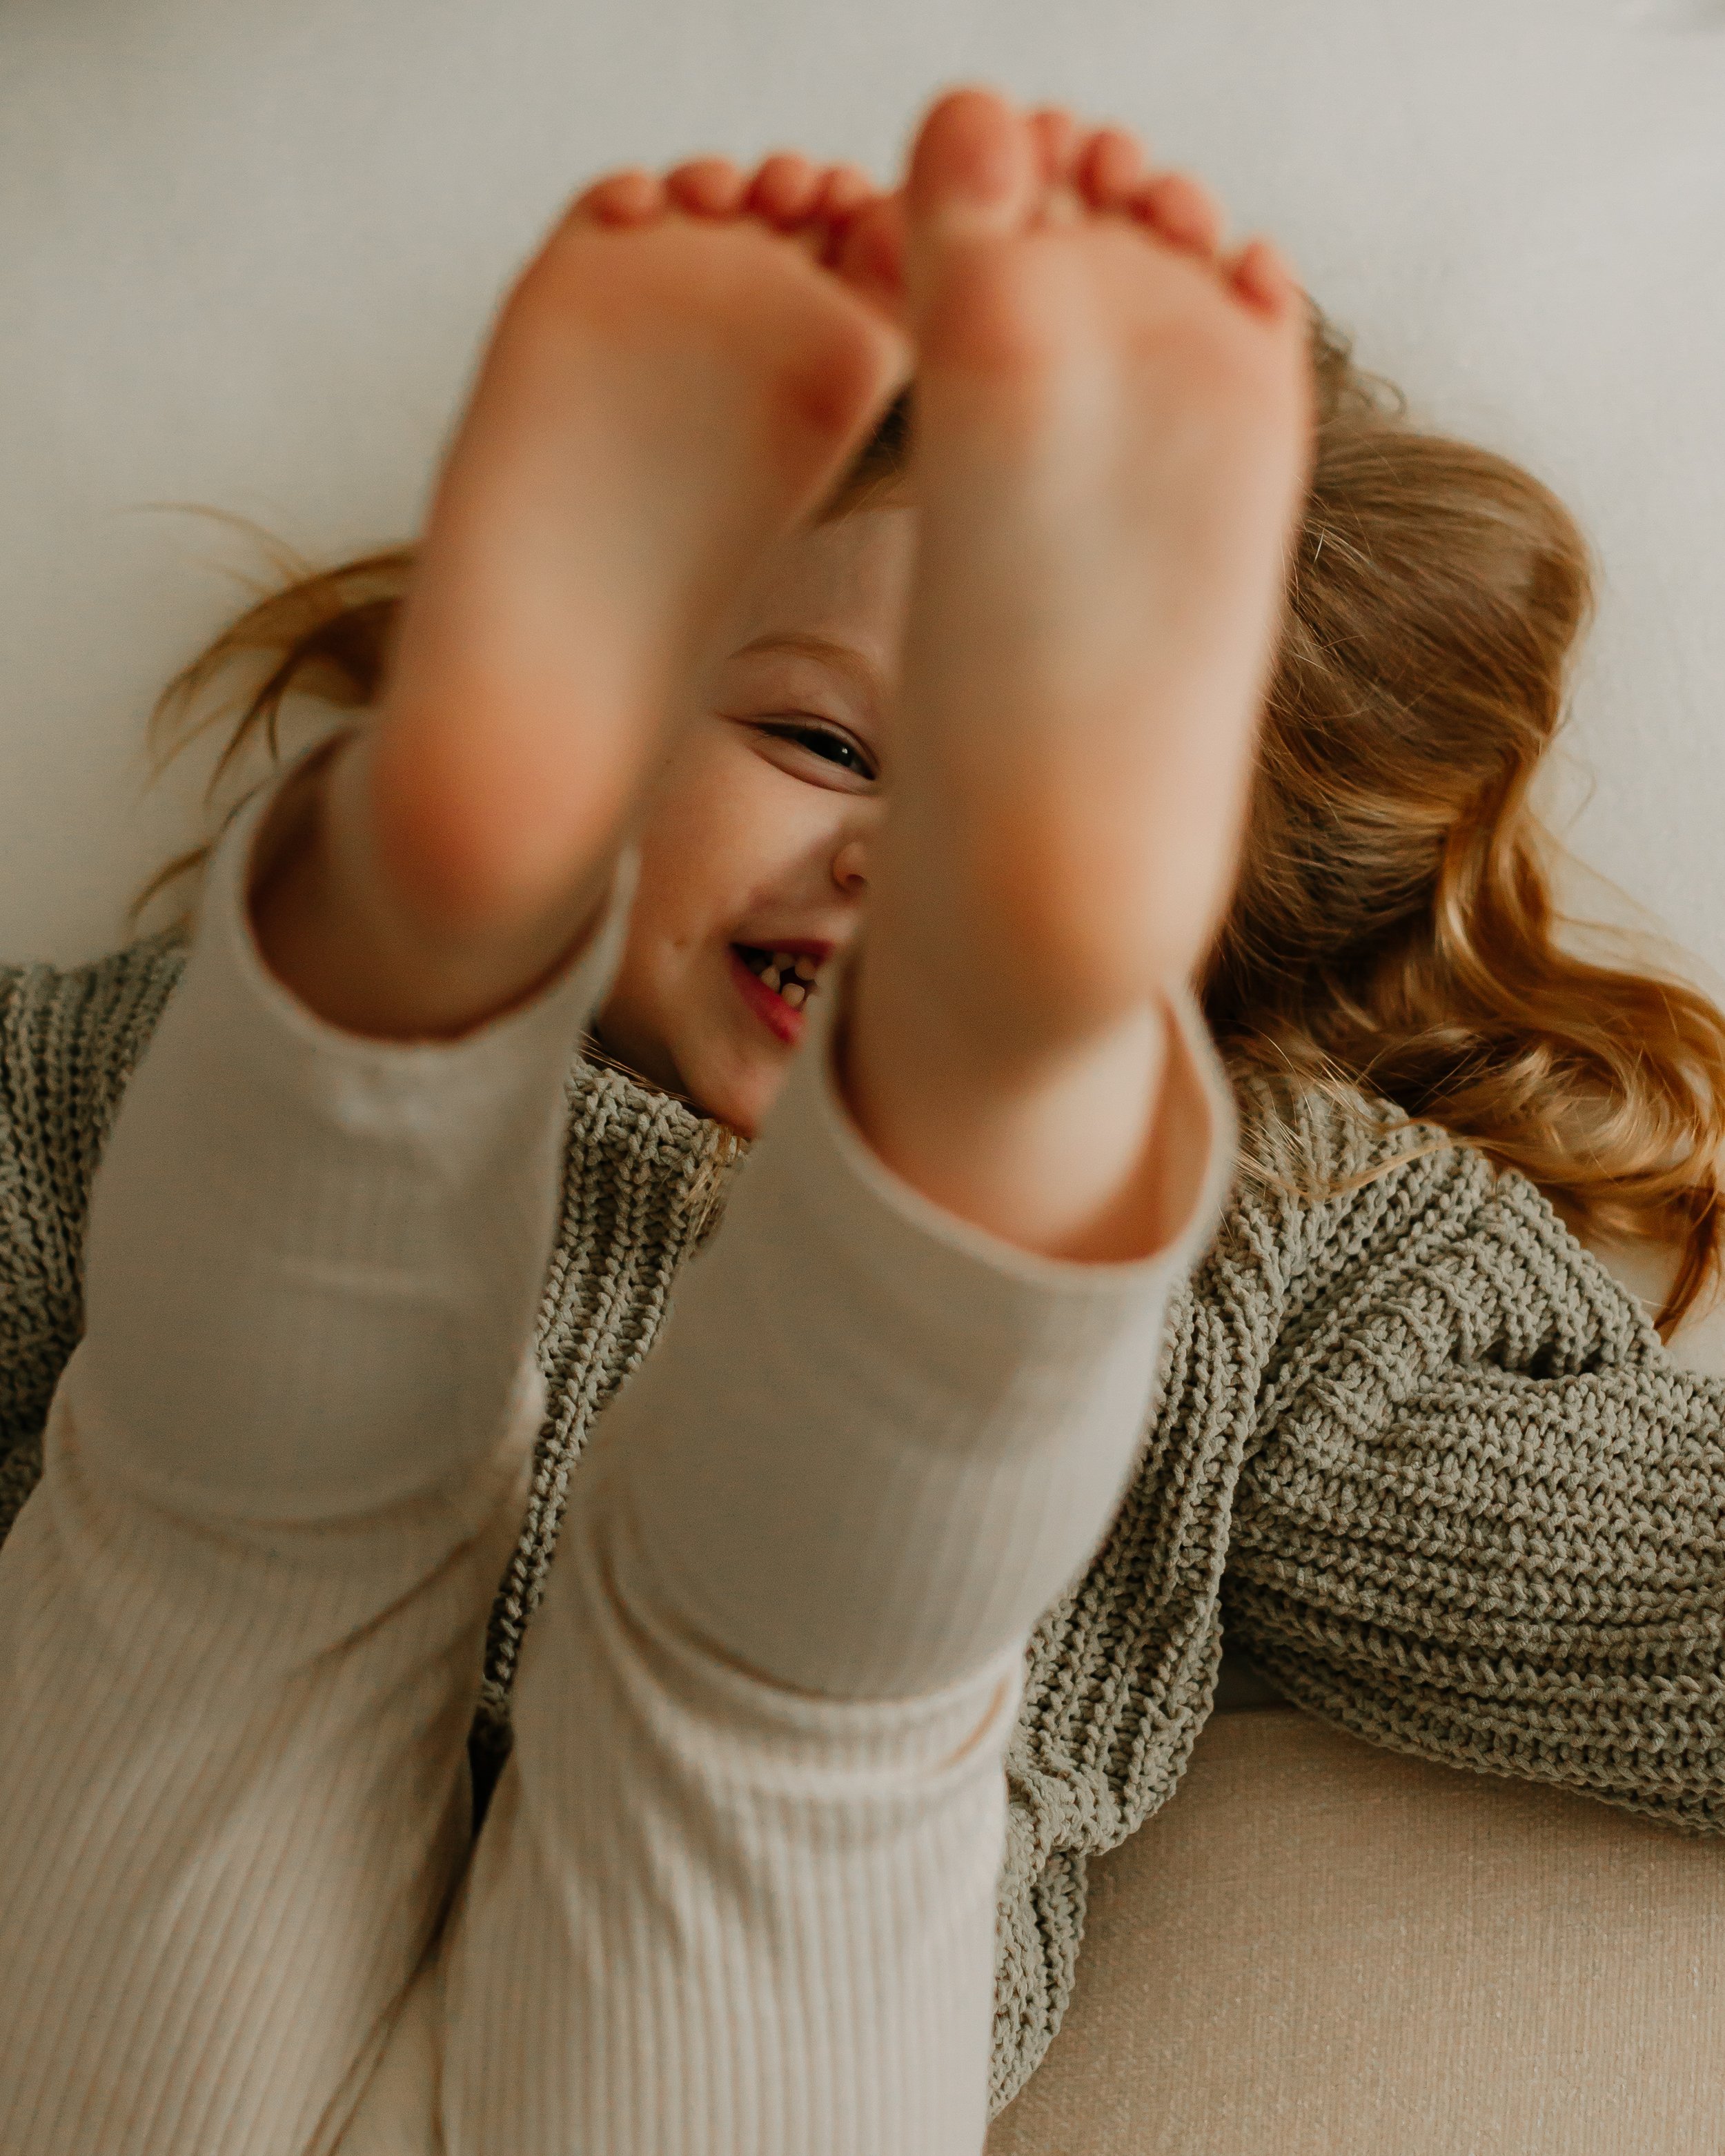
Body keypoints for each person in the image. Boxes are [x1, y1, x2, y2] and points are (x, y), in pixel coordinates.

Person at [1, 77, 1721, 2150]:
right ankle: (430, 912)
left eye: (991, 824)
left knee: (668, 1678)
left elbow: (1635, 1590)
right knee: (237, 1512)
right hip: (146, 1941)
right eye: (822, 739)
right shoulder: (134, 1081)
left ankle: (977, 1137)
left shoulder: (1281, 1240)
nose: (879, 864)